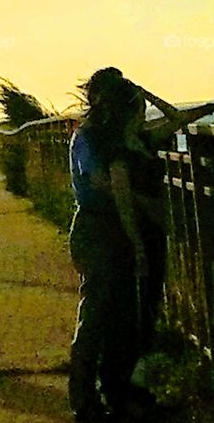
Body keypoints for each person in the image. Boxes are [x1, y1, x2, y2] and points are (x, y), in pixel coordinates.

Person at [68, 69, 213, 421]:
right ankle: (84, 399)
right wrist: (143, 209)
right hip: (98, 229)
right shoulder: (91, 138)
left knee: (123, 316)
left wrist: (146, 94)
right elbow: (103, 183)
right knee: (97, 315)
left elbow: (176, 119)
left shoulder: (122, 136)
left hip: (115, 230)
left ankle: (117, 392)